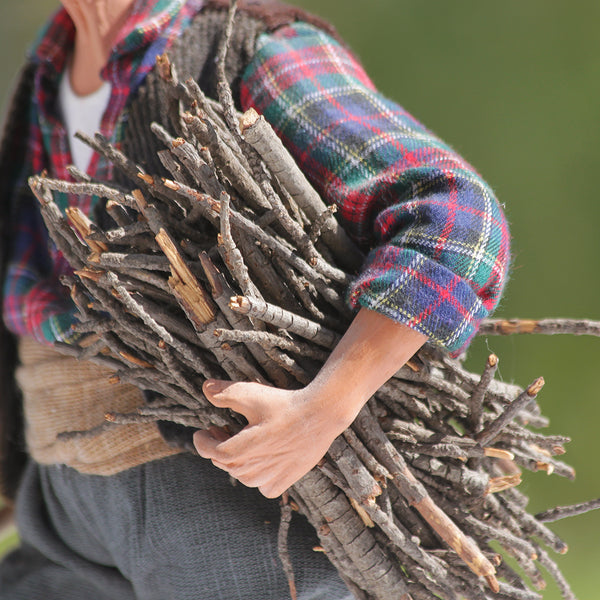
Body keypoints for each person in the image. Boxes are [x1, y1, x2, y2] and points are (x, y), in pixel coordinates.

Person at [0, 0, 510, 598]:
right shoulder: (51, 66)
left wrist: (326, 406)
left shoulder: (243, 47)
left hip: (219, 498)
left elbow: (458, 219)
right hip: (63, 501)